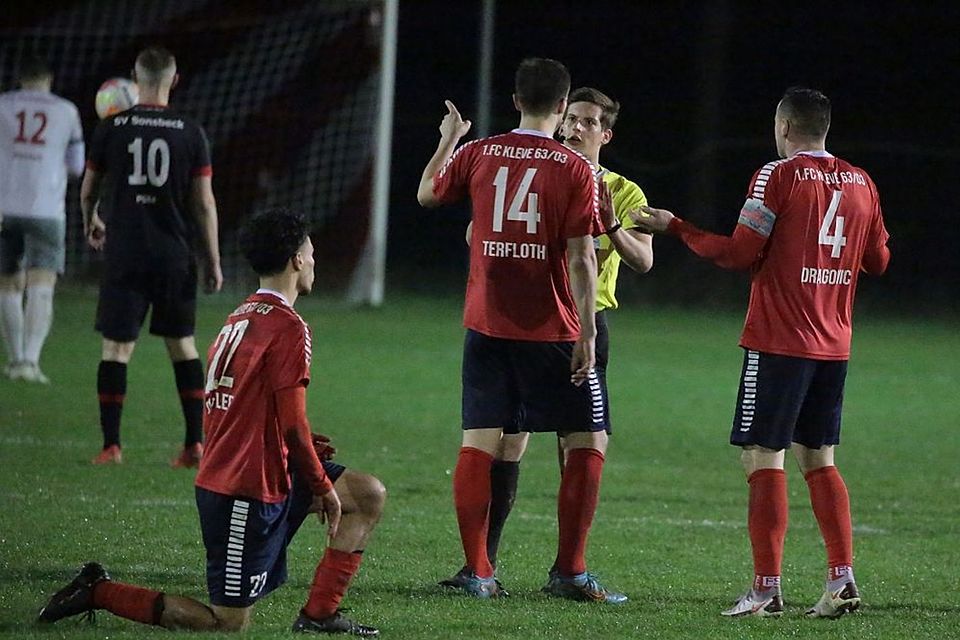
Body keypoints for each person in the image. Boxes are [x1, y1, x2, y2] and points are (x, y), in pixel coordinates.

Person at [37, 207, 385, 636]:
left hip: (264, 468)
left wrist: (296, 446)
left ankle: (318, 615)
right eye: (310, 252)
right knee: (226, 622)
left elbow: (238, 407)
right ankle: (99, 590)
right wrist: (321, 486)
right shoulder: (289, 327)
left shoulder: (242, 315)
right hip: (242, 490)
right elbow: (292, 426)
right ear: (296, 259)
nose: (314, 260)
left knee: (367, 495)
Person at [631, 87, 890, 618]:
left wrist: (675, 226)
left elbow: (737, 252)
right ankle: (841, 578)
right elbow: (879, 261)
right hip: (833, 345)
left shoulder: (778, 175)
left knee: (761, 456)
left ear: (785, 126)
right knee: (819, 458)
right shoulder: (863, 181)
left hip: (779, 341)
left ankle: (766, 589)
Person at [417, 58, 625, 603]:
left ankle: (478, 571)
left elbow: (427, 194)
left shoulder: (480, 152)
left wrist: (449, 139)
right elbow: (582, 259)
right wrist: (586, 335)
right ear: (561, 108)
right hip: (552, 332)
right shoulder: (576, 169)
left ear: (514, 100)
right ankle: (571, 572)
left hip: (485, 325)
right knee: (587, 440)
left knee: (479, 443)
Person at [80, 46, 223, 467]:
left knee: (116, 349)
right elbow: (204, 203)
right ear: (174, 80)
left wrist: (92, 218)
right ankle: (195, 443)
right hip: (174, 254)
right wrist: (212, 259)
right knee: (182, 346)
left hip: (125, 253)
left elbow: (88, 188)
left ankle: (111, 446)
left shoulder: (112, 127)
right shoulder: (190, 130)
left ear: (134, 78)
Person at [0, 54, 84, 383]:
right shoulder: (66, 111)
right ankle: (31, 363)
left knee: (7, 283)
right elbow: (77, 166)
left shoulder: (3, 105)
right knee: (42, 283)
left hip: (5, 207)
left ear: (20, 79)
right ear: (48, 80)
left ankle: (15, 360)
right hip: (47, 209)